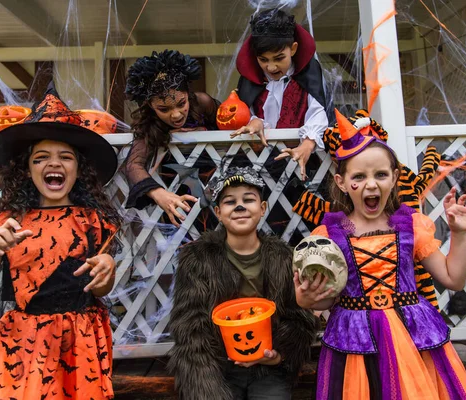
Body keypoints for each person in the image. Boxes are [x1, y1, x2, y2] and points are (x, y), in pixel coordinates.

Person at [0, 88, 122, 400]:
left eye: (65, 157)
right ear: (27, 170)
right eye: (41, 158)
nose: (53, 164)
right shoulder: (4, 224)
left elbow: (99, 289)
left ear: (78, 169)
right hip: (23, 342)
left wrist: (107, 270)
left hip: (79, 342)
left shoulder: (94, 222)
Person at [295, 110, 466, 399]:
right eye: (359, 176)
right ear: (341, 182)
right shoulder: (328, 236)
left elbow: (453, 279)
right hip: (355, 344)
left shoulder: (411, 226)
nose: (371, 184)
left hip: (413, 339)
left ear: (394, 178)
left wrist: (459, 233)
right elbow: (325, 299)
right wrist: (307, 299)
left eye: (380, 174)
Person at [168, 166, 319, 400]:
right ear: (218, 212)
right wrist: (207, 378)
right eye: (230, 202)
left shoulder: (285, 258)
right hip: (219, 365)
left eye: (248, 200)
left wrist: (279, 354)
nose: (239, 207)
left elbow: (299, 318)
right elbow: (189, 324)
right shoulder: (197, 259)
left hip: (269, 364)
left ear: (262, 209)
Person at [233, 8, 331, 180]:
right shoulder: (250, 80)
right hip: (260, 166)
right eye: (263, 60)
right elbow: (245, 114)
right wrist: (254, 121)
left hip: (304, 165)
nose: (271, 68)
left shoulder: (309, 74)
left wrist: (308, 143)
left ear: (293, 49)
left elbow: (318, 112)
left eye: (279, 58)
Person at [124, 49, 220, 226]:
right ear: (151, 107)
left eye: (181, 103)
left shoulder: (202, 103)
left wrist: (203, 131)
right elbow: (133, 165)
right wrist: (159, 193)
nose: (176, 115)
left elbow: (231, 123)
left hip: (216, 179)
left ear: (188, 94)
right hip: (175, 189)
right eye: (164, 109)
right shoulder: (149, 123)